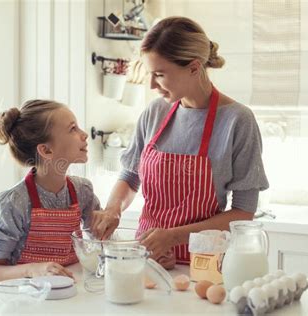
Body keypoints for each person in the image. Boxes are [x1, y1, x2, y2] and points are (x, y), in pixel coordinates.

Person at [90, 16, 269, 269]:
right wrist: (112, 210)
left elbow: (244, 212)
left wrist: (173, 237)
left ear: (194, 68)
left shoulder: (237, 121)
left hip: (205, 265)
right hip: (148, 259)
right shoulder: (155, 112)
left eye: (160, 74)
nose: (152, 85)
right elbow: (131, 176)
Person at [0, 99, 100, 284]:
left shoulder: (82, 191)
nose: (84, 134)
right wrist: (34, 269)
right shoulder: (15, 202)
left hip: (69, 292)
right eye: (73, 129)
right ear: (46, 150)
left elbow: (100, 241)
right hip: (25, 299)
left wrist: (106, 224)